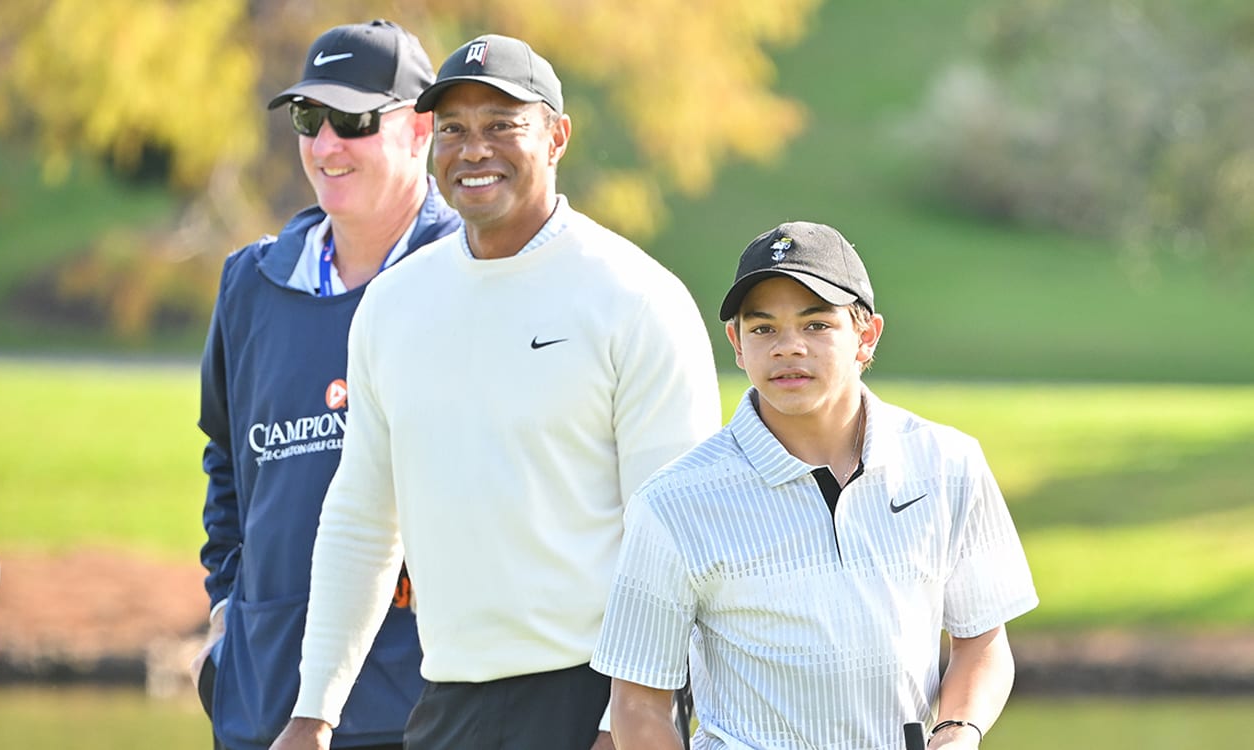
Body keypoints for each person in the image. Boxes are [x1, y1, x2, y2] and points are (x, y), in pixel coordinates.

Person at [270, 33, 721, 750]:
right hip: (450, 700)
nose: (473, 149)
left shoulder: (636, 299)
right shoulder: (392, 306)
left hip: (599, 697)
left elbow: (677, 540)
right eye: (453, 129)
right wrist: (313, 711)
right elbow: (361, 519)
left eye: (502, 125)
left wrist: (624, 720)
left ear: (557, 137)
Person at [592, 221, 1039, 750]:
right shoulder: (672, 503)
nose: (788, 348)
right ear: (736, 343)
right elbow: (638, 703)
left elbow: (981, 641)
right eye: (763, 329)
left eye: (816, 325)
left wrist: (958, 732)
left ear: (865, 336)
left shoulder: (948, 464)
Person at [193, 19, 460, 750]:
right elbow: (228, 460)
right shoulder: (250, 281)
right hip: (265, 703)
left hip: (422, 706)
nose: (325, 145)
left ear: (421, 130)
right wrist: (227, 612)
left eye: (355, 120)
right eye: (310, 118)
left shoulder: (473, 275)